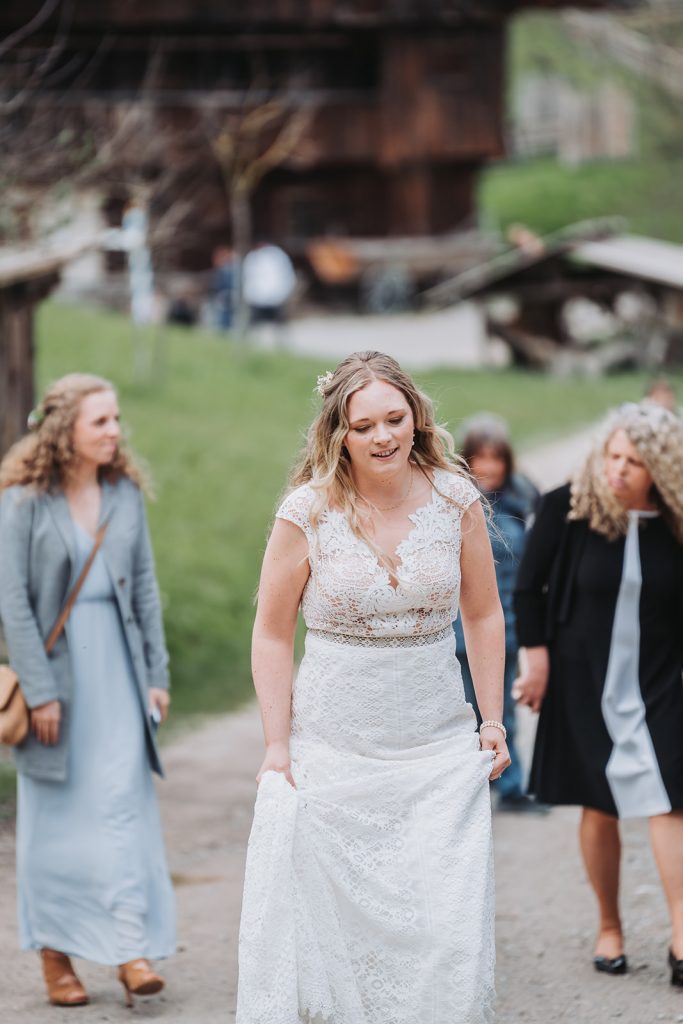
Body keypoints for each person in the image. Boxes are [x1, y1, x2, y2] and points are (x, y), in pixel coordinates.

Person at [236, 351, 509, 1024]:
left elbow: (482, 613)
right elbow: (271, 633)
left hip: (436, 746)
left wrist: (492, 719)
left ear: (417, 416)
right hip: (334, 749)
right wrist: (277, 746)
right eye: (364, 426)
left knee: (444, 925)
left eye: (395, 418)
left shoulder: (455, 500)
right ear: (339, 434)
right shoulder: (307, 512)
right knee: (342, 930)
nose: (383, 437)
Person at [0, 374, 175, 1007]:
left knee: (123, 809)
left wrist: (156, 675)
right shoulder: (23, 500)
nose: (114, 431)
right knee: (59, 821)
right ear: (64, 429)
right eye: (100, 421)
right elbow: (13, 603)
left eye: (116, 419)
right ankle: (56, 954)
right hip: (58, 679)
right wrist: (41, 690)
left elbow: (146, 587)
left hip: (119, 673)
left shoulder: (123, 494)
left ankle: (130, 949)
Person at [513, 402, 683, 986]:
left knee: (671, 798)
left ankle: (682, 933)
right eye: (613, 456)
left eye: (634, 461)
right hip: (583, 677)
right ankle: (610, 926)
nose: (618, 470)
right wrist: (535, 658)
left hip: (659, 680)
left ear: (661, 466)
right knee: (600, 801)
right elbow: (528, 589)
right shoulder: (568, 507)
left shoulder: (675, 519)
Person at [453, 414, 541, 812]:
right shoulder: (457, 505)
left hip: (507, 627)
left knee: (502, 712)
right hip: (462, 633)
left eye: (496, 458)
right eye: (480, 457)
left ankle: (509, 783)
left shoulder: (521, 502)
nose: (488, 467)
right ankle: (481, 786)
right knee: (469, 712)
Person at [242, 241, 296, 341]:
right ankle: (246, 342)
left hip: (275, 297)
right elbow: (249, 277)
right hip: (258, 297)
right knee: (252, 324)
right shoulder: (254, 256)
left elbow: (285, 276)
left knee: (279, 326)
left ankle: (282, 343)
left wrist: (282, 293)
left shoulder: (277, 255)